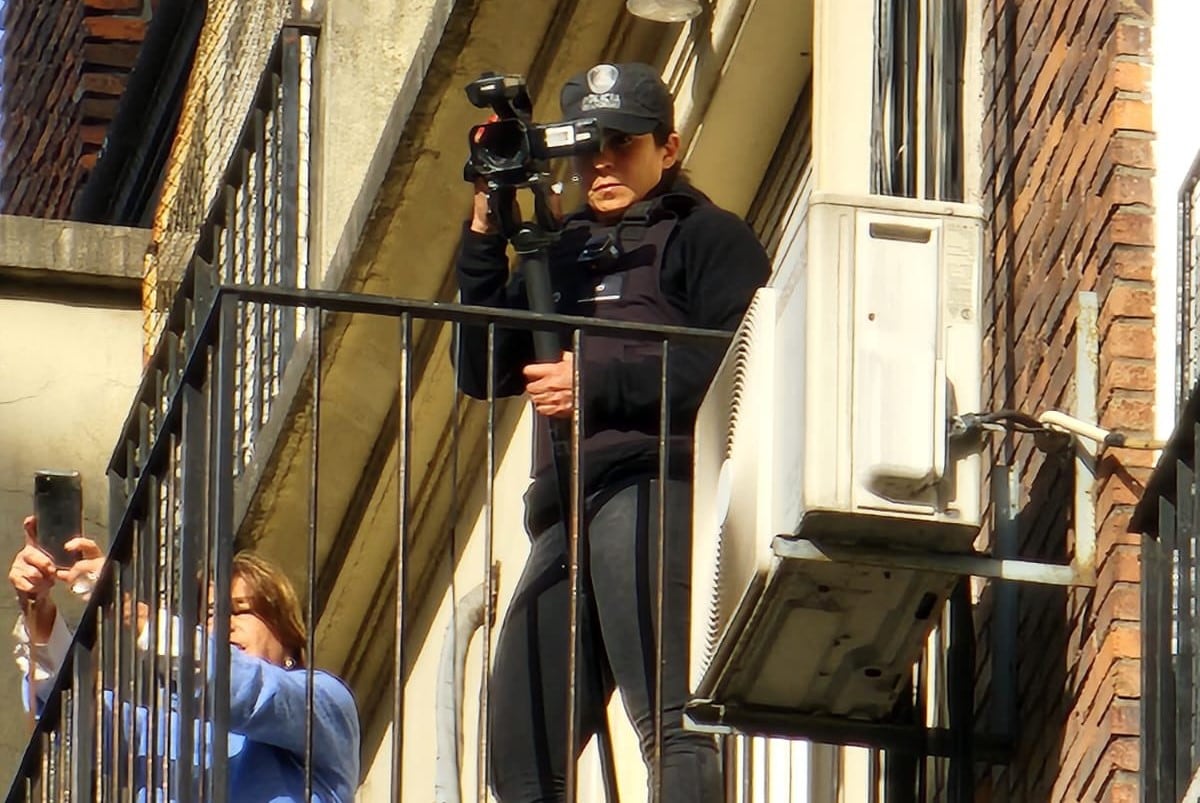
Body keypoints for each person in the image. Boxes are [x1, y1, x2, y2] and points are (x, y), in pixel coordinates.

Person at [455, 62, 771, 802]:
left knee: (670, 718)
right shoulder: (556, 253)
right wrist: (482, 235)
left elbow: (739, 359)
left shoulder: (706, 235)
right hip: (562, 514)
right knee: (522, 757)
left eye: (621, 143)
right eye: (586, 147)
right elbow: (476, 367)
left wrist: (594, 383)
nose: (601, 162)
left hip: (650, 484)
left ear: (668, 146)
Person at [8, 516, 361, 803]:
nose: (223, 625)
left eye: (240, 610)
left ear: (286, 634)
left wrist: (128, 608)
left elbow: (251, 692)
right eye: (210, 614)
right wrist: (39, 613)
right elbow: (82, 719)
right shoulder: (173, 732)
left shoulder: (323, 702)